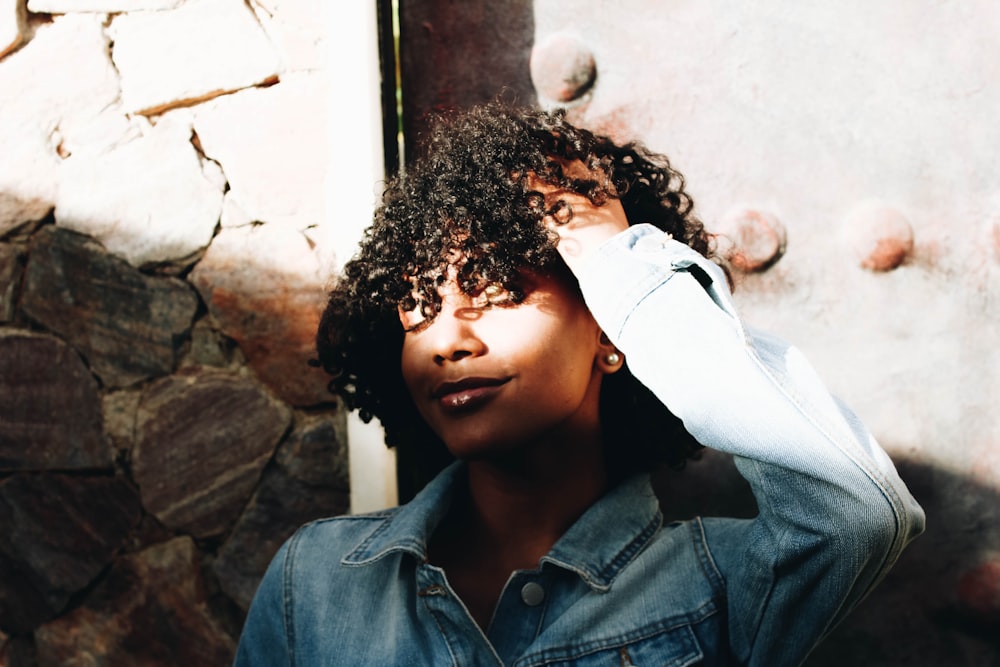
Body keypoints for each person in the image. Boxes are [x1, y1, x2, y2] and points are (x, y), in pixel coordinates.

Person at [234, 103, 924, 666]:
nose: (447, 338)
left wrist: (617, 262)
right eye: (418, 309)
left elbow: (856, 509)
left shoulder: (716, 584)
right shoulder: (318, 583)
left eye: (498, 291)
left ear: (607, 331)